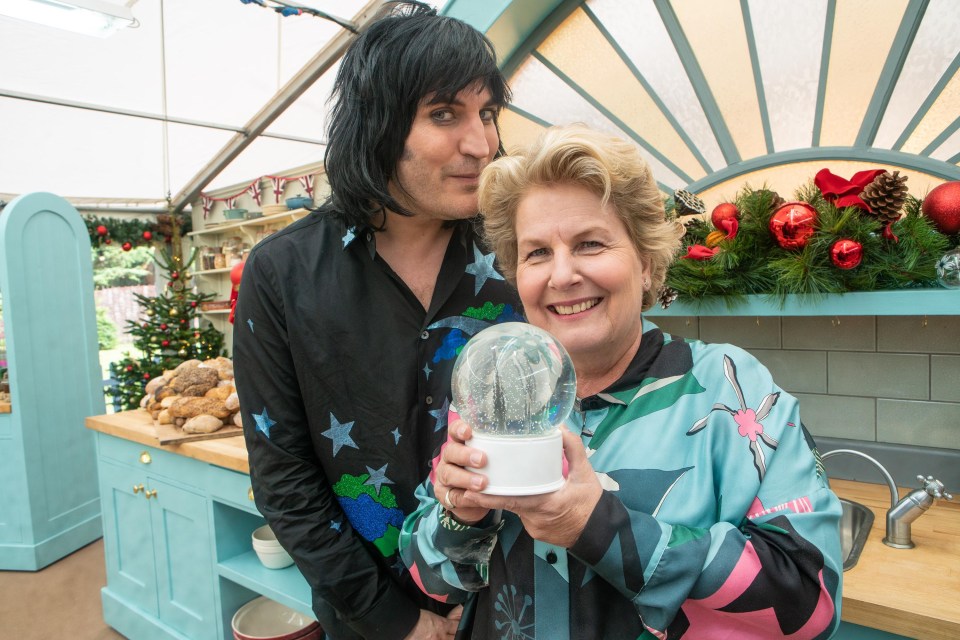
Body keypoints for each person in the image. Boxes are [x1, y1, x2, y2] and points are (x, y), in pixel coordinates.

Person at [400, 125, 844, 639]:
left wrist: (599, 528)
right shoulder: (500, 392)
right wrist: (461, 516)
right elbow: (429, 579)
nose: (561, 275)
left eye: (590, 243)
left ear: (648, 262)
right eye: (537, 252)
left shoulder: (730, 388)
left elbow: (808, 601)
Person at [232, 3, 522, 639]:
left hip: (518, 598)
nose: (481, 143)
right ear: (377, 122)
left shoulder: (519, 251)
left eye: (487, 114)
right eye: (444, 114)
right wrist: (392, 620)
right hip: (371, 614)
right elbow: (283, 477)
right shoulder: (282, 274)